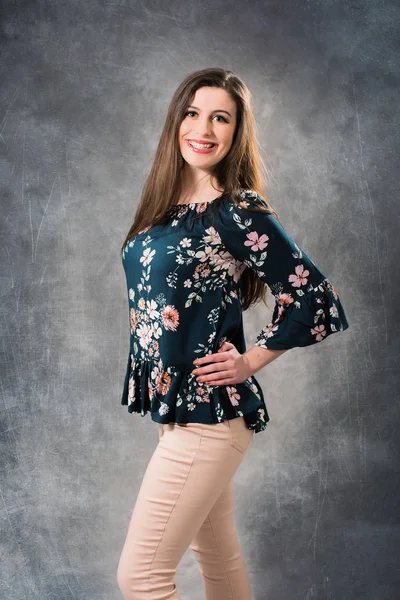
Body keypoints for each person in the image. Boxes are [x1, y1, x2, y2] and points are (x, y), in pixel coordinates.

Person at [116, 67, 349, 600]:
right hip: (180, 416)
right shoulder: (161, 212)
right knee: (218, 562)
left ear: (236, 132)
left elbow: (313, 294)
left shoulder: (236, 210)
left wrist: (251, 360)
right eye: (193, 113)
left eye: (221, 117)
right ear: (176, 122)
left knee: (141, 579)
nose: (204, 128)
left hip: (211, 419)